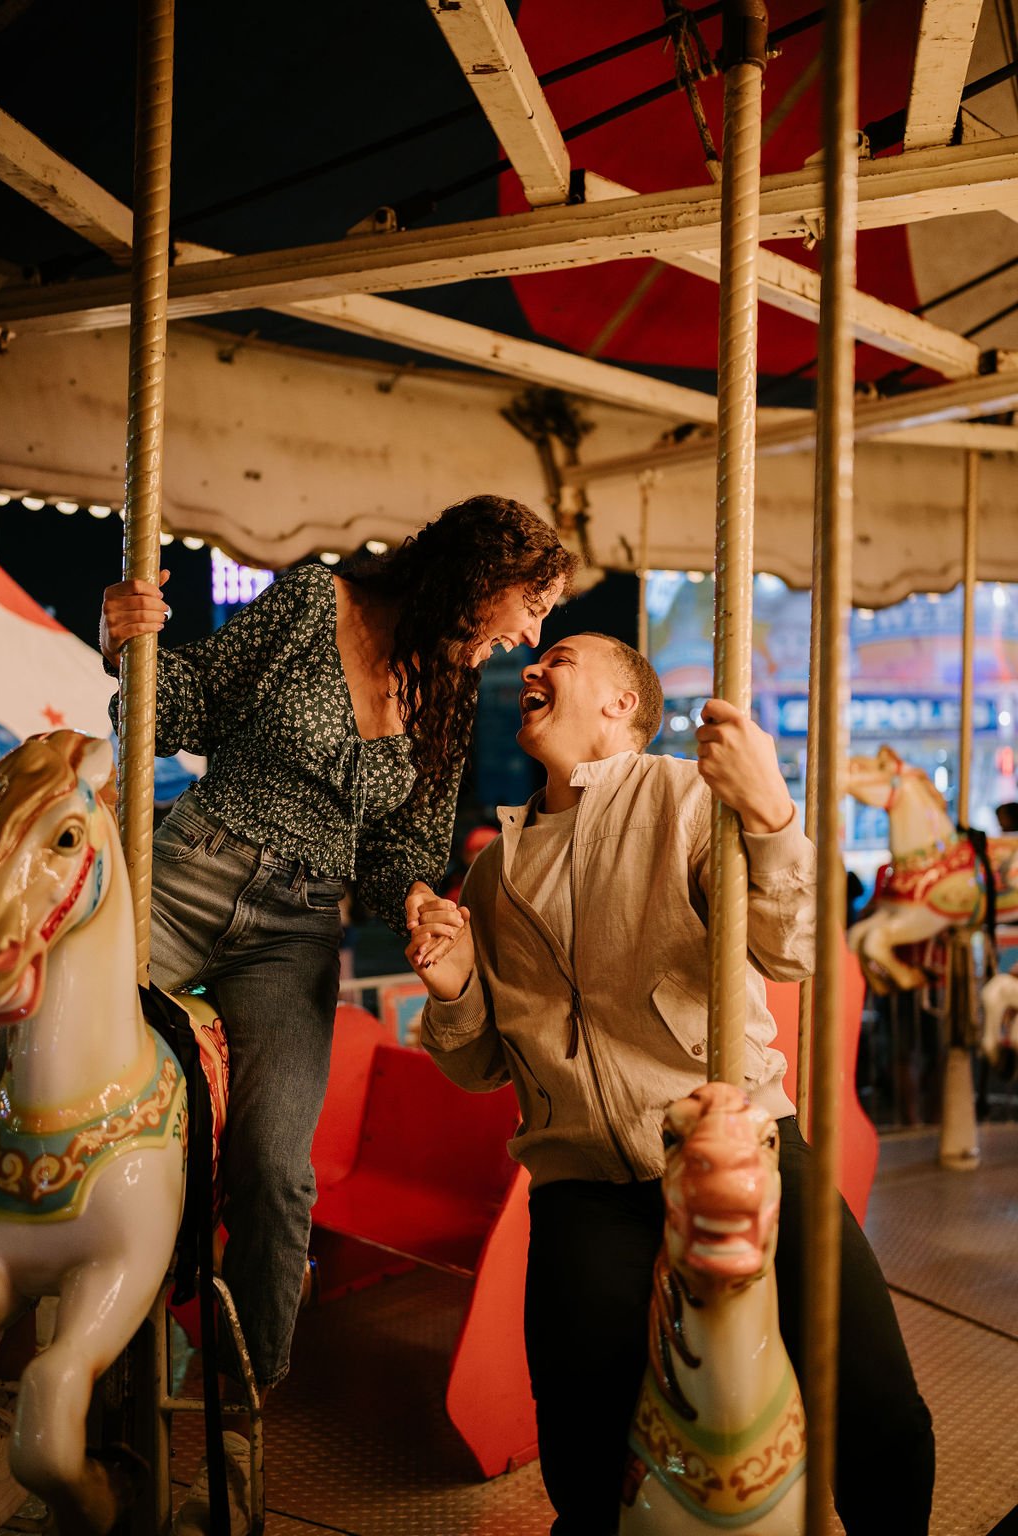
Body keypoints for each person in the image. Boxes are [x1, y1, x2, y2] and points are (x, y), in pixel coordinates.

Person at [98, 495, 578, 1536]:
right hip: (190, 876)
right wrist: (125, 641)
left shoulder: (446, 687)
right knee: (75, 1076)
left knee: (276, 1167)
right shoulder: (314, 604)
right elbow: (182, 709)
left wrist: (412, 893)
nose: (527, 634)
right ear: (476, 573)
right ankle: (83, 1323)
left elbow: (403, 847)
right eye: (529, 605)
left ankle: (237, 1410)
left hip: (296, 934)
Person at [407, 632, 935, 1536]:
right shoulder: (496, 872)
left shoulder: (688, 798)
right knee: (583, 1456)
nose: (533, 667)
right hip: (584, 1181)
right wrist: (455, 986)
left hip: (732, 1141)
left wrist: (771, 816)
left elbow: (794, 946)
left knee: (876, 1408)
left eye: (562, 658)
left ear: (623, 706)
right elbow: (482, 1064)